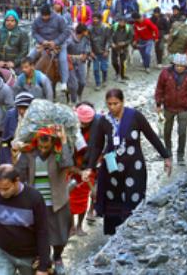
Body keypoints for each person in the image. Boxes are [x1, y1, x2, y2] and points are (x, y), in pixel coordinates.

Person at [81, 89, 171, 235]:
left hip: (133, 166)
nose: (112, 107)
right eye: (109, 104)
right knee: (113, 197)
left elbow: (151, 136)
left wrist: (166, 157)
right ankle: (114, 235)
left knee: (132, 195)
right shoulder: (104, 121)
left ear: (122, 102)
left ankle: (132, 232)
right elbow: (97, 146)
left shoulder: (135, 117)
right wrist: (89, 167)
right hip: (112, 166)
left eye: (115, 104)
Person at [15, 127, 74, 274]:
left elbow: (67, 165)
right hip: (36, 204)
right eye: (40, 146)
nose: (43, 149)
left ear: (53, 143)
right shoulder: (28, 154)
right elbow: (19, 175)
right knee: (40, 235)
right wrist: (15, 154)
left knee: (61, 235)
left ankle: (58, 257)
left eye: (46, 146)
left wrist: (64, 140)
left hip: (58, 202)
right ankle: (44, 260)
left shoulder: (58, 153)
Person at [0, 165, 50, 275]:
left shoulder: (34, 198)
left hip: (30, 256)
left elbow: (43, 232)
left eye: (6, 188)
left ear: (16, 181)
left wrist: (43, 266)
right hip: (3, 252)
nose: (2, 193)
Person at [154, 54, 187, 165]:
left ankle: (180, 155)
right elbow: (159, 89)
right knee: (167, 131)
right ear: (174, 64)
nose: (179, 68)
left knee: (182, 132)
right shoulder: (165, 73)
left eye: (182, 66)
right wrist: (158, 104)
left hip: (184, 108)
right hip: (168, 107)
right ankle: (168, 151)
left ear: (186, 66)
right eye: (177, 66)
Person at [69, 103, 97, 237]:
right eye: (81, 123)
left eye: (86, 124)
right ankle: (71, 226)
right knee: (68, 199)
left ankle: (79, 225)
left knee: (83, 200)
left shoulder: (95, 131)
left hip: (87, 168)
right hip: (72, 168)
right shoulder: (70, 130)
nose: (83, 126)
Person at [30, 5, 71, 92]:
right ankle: (26, 77)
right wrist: (42, 41)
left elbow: (66, 32)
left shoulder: (59, 19)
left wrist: (55, 42)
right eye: (43, 16)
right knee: (30, 56)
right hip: (43, 45)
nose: (44, 18)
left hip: (58, 45)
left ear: (50, 14)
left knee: (63, 60)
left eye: (46, 16)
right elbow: (34, 32)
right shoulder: (37, 20)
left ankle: (64, 83)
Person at [0, 92, 35, 165]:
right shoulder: (10, 115)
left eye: (25, 108)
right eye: (19, 107)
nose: (22, 111)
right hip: (13, 153)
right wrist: (8, 161)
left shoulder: (37, 118)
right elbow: (4, 142)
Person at [66, 24, 91, 104]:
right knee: (73, 85)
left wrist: (86, 54)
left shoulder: (85, 38)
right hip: (70, 63)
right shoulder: (69, 40)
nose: (87, 32)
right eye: (86, 31)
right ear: (82, 32)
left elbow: (88, 46)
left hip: (81, 62)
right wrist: (73, 57)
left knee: (82, 82)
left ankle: (79, 95)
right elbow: (63, 52)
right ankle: (73, 100)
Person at [89, 13, 112, 91]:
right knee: (95, 69)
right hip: (94, 52)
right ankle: (98, 83)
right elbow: (88, 41)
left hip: (103, 51)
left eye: (96, 18)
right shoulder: (90, 28)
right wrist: (90, 51)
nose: (95, 20)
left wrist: (106, 50)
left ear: (100, 19)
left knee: (104, 68)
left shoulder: (106, 28)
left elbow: (108, 40)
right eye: (94, 18)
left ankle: (104, 79)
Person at [110, 16, 133, 81]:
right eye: (120, 22)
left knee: (122, 62)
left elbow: (130, 39)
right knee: (114, 62)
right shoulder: (114, 26)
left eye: (123, 22)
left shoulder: (129, 28)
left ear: (125, 23)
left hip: (124, 47)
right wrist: (111, 43)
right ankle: (117, 72)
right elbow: (109, 36)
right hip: (115, 46)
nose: (121, 23)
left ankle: (122, 75)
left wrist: (125, 43)